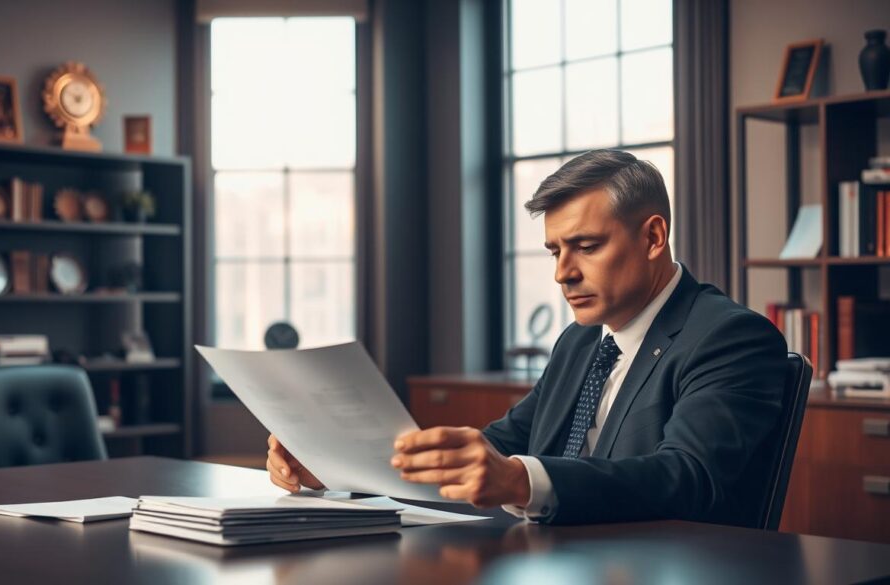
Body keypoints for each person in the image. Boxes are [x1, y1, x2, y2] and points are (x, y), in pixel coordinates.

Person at [266, 149, 787, 526]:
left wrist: (519, 481)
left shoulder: (730, 338)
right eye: (554, 251)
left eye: (585, 246)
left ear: (653, 237)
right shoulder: (582, 342)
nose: (563, 273)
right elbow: (500, 446)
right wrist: (336, 466)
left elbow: (686, 477)